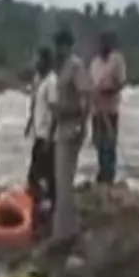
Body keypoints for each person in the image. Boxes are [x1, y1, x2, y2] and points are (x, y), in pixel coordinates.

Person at [47, 27, 91, 255]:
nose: (58, 49)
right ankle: (65, 229)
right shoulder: (61, 67)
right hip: (62, 126)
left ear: (68, 46)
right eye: (56, 45)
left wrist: (82, 125)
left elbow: (86, 96)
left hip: (72, 125)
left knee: (65, 180)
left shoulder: (75, 66)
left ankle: (66, 233)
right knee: (61, 180)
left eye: (61, 45)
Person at [25, 47, 58, 232]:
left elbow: (54, 112)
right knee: (38, 175)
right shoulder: (40, 80)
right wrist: (29, 125)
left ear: (46, 61)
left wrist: (50, 138)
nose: (35, 63)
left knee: (42, 175)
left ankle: (48, 210)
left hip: (46, 136)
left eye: (38, 59)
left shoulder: (51, 82)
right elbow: (35, 106)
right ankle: (42, 208)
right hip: (39, 133)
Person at [89, 31, 127, 184]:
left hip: (110, 109)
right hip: (96, 110)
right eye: (100, 43)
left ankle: (109, 175)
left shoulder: (117, 60)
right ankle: (102, 172)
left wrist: (107, 90)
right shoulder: (94, 62)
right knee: (98, 143)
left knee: (109, 144)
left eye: (105, 43)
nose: (102, 46)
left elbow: (121, 83)